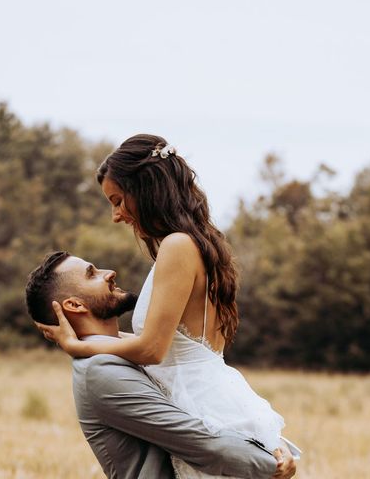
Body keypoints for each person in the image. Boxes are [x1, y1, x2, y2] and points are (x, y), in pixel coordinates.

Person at [37, 134, 302, 478]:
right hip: (213, 399)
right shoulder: (197, 243)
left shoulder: (177, 247)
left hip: (201, 406)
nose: (116, 215)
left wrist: (78, 345)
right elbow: (163, 345)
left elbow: (152, 348)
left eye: (117, 200)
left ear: (144, 189)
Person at [25, 251, 298, 478]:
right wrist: (271, 463)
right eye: (91, 273)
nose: (109, 273)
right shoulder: (100, 371)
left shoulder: (126, 349)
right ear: (74, 304)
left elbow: (202, 406)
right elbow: (198, 440)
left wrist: (274, 444)